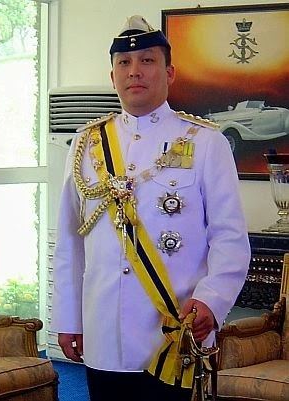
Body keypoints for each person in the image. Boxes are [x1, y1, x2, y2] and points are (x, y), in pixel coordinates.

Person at [51, 15, 251, 401]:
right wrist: (68, 317)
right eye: (124, 63)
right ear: (113, 77)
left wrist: (212, 298)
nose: (134, 71)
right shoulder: (86, 146)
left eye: (147, 60)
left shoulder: (206, 143)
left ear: (169, 72)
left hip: (172, 329)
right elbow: (69, 242)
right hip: (103, 331)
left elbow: (228, 235)